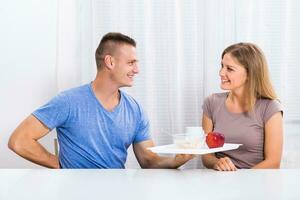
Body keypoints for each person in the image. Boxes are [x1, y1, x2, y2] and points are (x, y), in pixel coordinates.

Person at [8, 32, 193, 169]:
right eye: (131, 63)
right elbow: (19, 141)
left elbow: (148, 160)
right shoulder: (68, 101)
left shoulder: (135, 110)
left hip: (118, 192)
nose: (137, 70)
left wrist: (175, 160)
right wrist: (60, 166)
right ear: (110, 62)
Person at [201, 42, 283, 171]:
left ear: (250, 74)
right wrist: (216, 162)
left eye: (230, 69)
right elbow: (206, 156)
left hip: (255, 182)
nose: (221, 73)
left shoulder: (270, 108)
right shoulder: (212, 103)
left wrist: (242, 181)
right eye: (222, 66)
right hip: (219, 182)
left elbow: (273, 162)